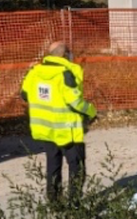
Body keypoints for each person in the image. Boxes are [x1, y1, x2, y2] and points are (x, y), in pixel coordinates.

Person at [20, 41, 97, 200]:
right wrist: (91, 111)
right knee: (77, 167)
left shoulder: (34, 72)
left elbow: (25, 94)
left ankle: (54, 202)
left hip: (46, 129)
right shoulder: (66, 74)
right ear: (65, 55)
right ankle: (74, 204)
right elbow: (75, 102)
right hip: (67, 131)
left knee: (53, 166)